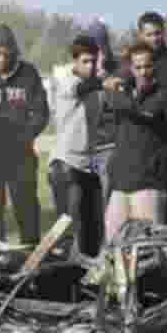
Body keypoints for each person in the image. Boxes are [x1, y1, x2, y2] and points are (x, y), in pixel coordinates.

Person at [104, 42, 167, 242]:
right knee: (112, 247)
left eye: (147, 66)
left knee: (149, 249)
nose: (143, 72)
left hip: (150, 183)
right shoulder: (120, 94)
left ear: (155, 66)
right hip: (120, 182)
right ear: (130, 68)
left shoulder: (166, 95)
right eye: (138, 67)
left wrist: (165, 158)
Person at [118, 11, 167, 222]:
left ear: (165, 33)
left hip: (165, 142)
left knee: (160, 205)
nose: (155, 39)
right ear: (140, 35)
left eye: (158, 33)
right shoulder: (128, 63)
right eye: (149, 34)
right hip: (133, 148)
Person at [0, 24, 50, 246]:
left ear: (13, 52)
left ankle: (31, 254)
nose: (1, 58)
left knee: (26, 210)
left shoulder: (28, 73)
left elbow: (41, 112)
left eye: (6, 54)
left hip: (20, 155)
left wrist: (25, 136)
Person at [48, 35, 106, 256]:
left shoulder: (95, 88)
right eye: (85, 61)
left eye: (93, 61)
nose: (90, 66)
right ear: (74, 61)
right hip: (66, 165)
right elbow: (82, 89)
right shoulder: (66, 80)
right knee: (70, 233)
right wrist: (103, 81)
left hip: (89, 165)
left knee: (93, 234)